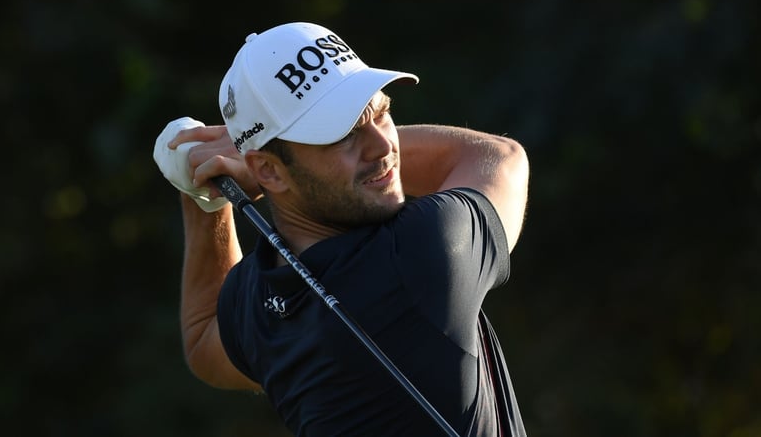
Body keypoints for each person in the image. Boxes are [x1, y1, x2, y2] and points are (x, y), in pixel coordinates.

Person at [153, 22, 530, 436]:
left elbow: (203, 336)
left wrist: (204, 196)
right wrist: (245, 158)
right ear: (267, 170)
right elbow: (497, 156)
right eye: (345, 134)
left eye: (381, 112)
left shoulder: (258, 304)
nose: (384, 146)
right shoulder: (420, 252)